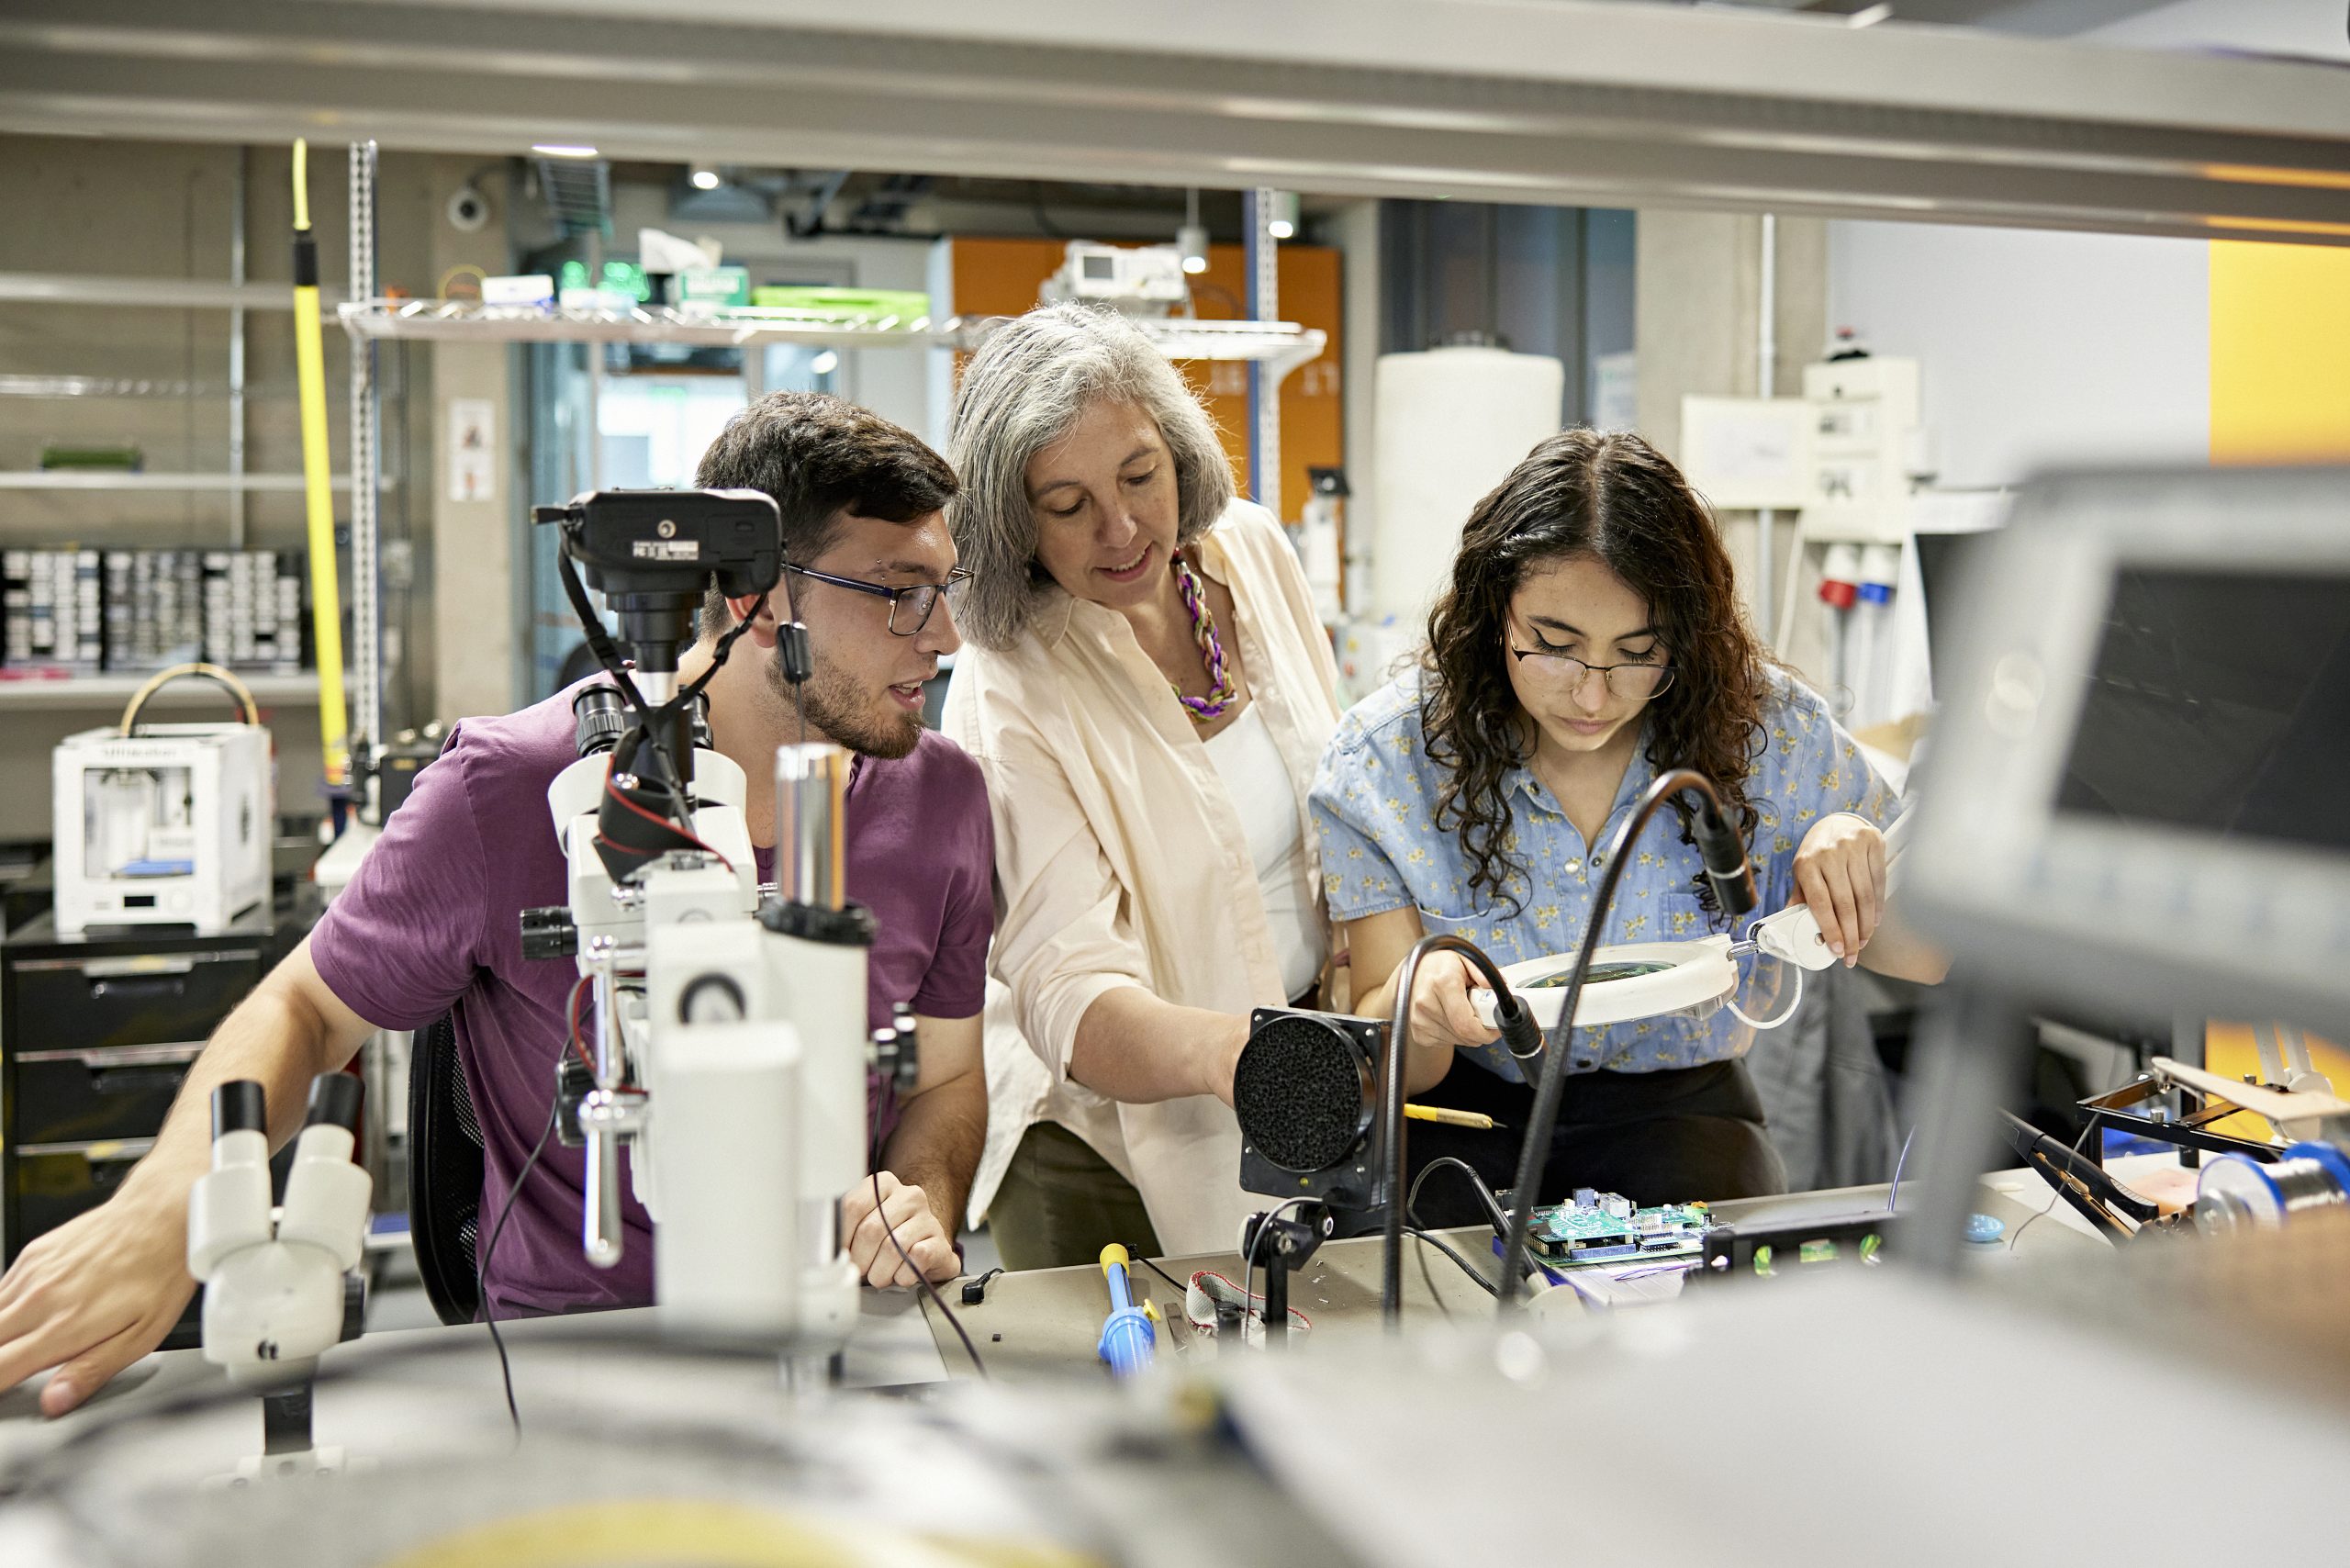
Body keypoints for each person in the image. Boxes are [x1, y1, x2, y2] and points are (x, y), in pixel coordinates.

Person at [0, 392, 992, 1417]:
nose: (947, 634)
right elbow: (302, 1009)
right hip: (574, 1356)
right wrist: (170, 1209)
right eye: (900, 590)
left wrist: (914, 1203)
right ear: (759, 594)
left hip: (838, 1336)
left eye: (944, 587)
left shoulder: (945, 797)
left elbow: (946, 1082)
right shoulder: (508, 791)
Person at [1311, 428, 1945, 1223]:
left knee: (1714, 1299)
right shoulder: (1389, 760)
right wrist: (1418, 1004)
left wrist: (1853, 850)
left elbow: (1925, 957)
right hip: (1465, 1111)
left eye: (1637, 653)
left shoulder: (1770, 733)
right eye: (1553, 646)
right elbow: (1400, 1059)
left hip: (1681, 1111)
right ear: (1491, 611)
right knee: (1446, 1298)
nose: (1591, 696)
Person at [943, 303, 1342, 1266]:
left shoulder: (1249, 550)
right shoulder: (1009, 683)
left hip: (1299, 1084)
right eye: (1068, 505)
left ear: (1178, 451)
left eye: (1139, 476)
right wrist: (1237, 1055)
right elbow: (1067, 988)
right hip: (1100, 1151)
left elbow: (1342, 807)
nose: (1121, 528)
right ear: (1009, 518)